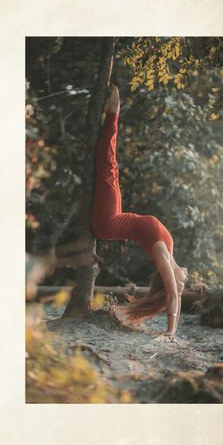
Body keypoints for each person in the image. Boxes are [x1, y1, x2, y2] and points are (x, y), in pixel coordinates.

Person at [92, 85, 188, 342]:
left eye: (180, 284)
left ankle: (113, 114)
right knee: (108, 169)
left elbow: (172, 296)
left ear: (168, 279)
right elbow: (174, 292)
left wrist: (171, 332)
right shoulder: (168, 249)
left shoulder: (162, 256)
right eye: (182, 284)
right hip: (120, 217)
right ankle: (106, 120)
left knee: (108, 168)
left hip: (110, 223)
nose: (184, 282)